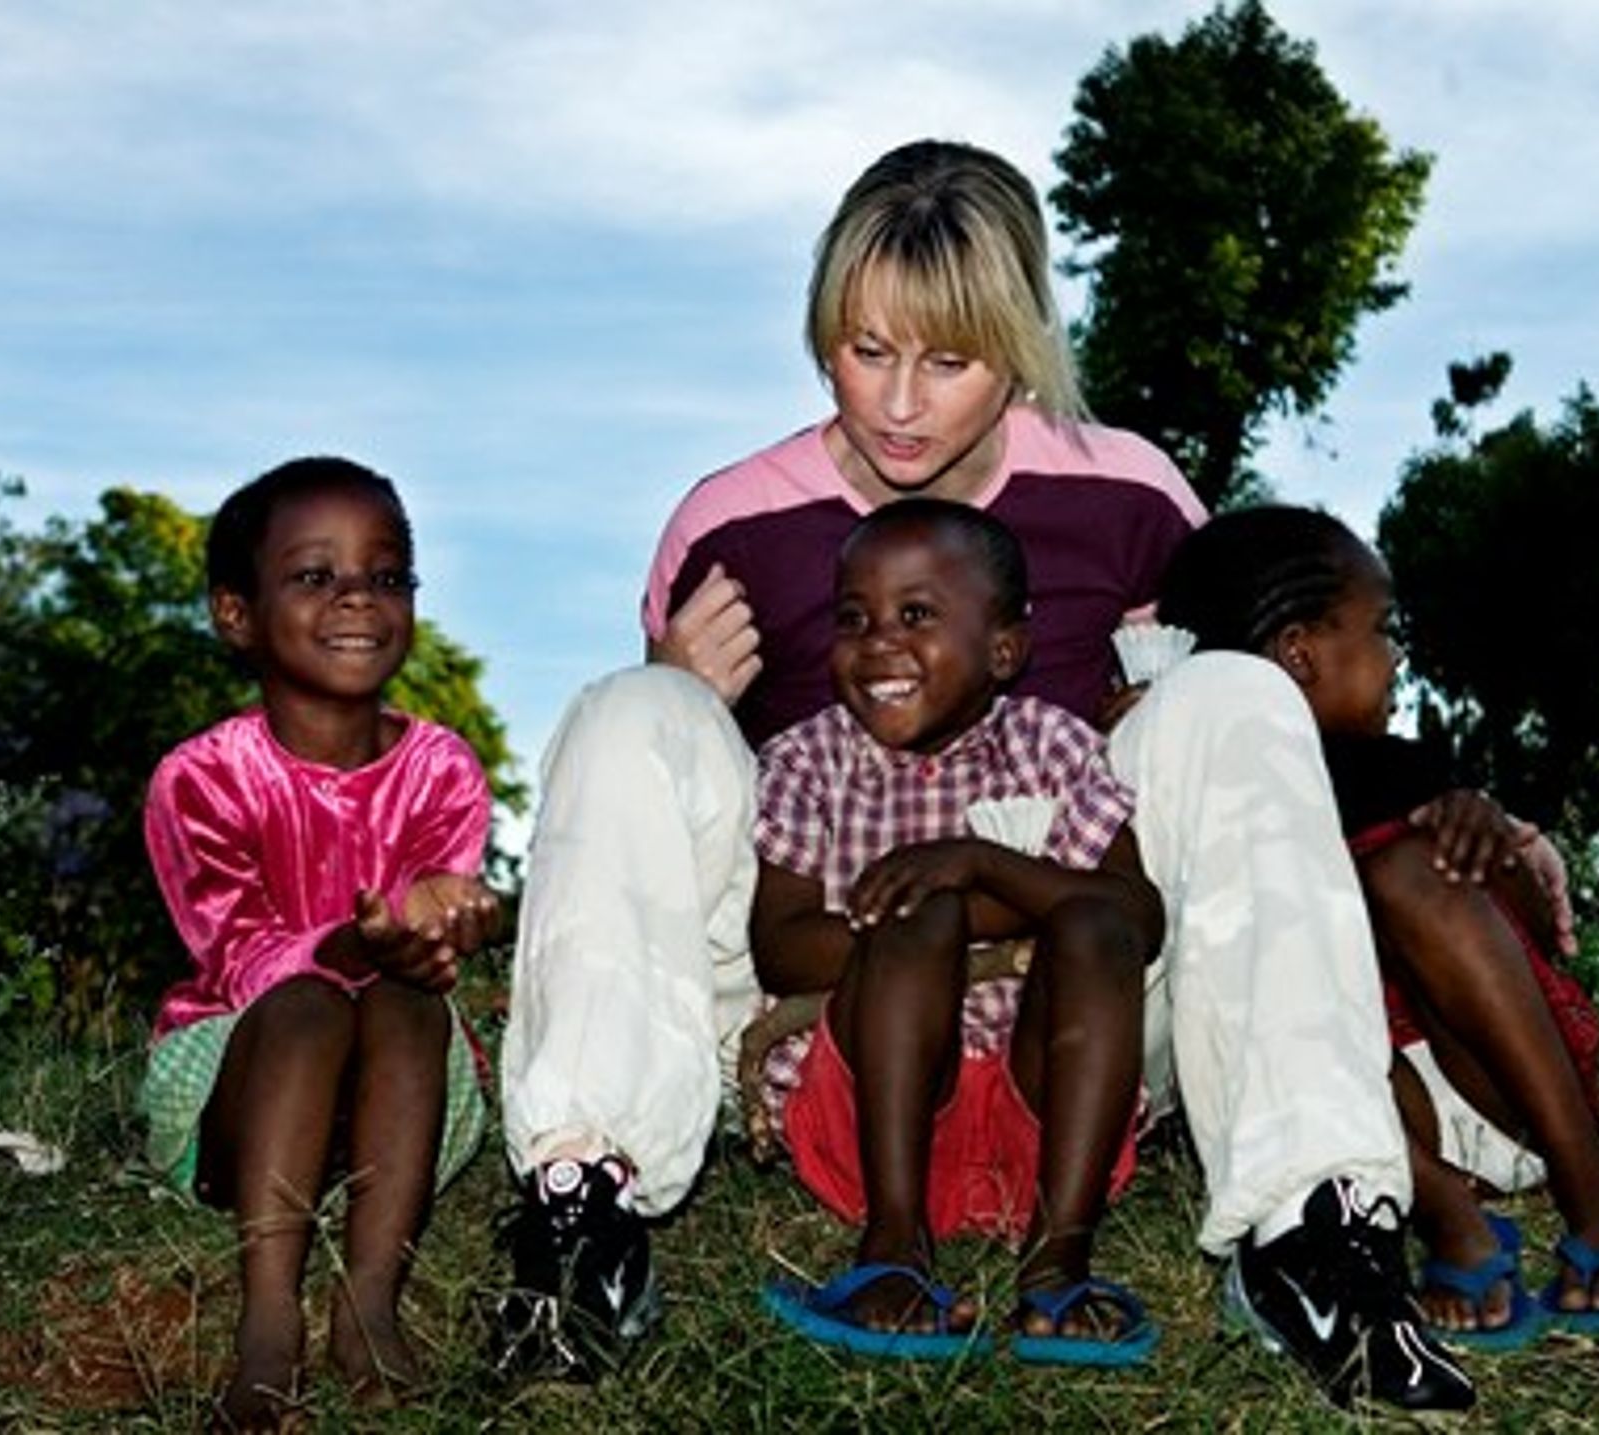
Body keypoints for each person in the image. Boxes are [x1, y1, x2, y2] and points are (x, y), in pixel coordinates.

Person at [492, 137, 1477, 1412]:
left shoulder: (1127, 497)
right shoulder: (730, 524)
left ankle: (1316, 1223)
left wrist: (1464, 811)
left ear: (1013, 348)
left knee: (1234, 685)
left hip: (1088, 981)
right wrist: (679, 684)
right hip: (824, 974)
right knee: (631, 708)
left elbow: (1236, 778)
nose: (898, 402)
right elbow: (685, 834)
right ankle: (584, 1206)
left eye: (945, 362)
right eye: (864, 350)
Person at [1154, 504, 1599, 1349]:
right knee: (1266, 953)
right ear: (1300, 653)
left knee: (1410, 866)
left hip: (1503, 1082)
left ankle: (1594, 1190)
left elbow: (1492, 901)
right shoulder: (1225, 805)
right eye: (1380, 630)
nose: (1397, 655)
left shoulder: (1404, 767)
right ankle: (1450, 1213)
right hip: (1379, 1133)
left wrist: (1480, 825)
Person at [750, 500, 1161, 1364]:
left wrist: (984, 864)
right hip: (871, 1118)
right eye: (853, 617)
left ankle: (1060, 1261)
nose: (878, 642)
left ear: (1005, 648)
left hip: (1046, 1121)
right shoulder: (807, 759)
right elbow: (782, 946)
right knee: (920, 908)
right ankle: (893, 1246)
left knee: (1092, 923)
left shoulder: (1054, 746)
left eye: (917, 615)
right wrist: (941, 917)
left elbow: (1136, 918)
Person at [138, 457, 500, 1427]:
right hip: (240, 1086)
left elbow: (436, 926)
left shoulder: (442, 769)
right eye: (314, 575)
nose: (357, 597)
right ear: (235, 614)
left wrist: (453, 923)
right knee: (304, 1001)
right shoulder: (201, 778)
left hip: (403, 1100)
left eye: (387, 576)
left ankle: (369, 1295)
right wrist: (356, 944)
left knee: (406, 997)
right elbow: (238, 952)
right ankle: (268, 1322)